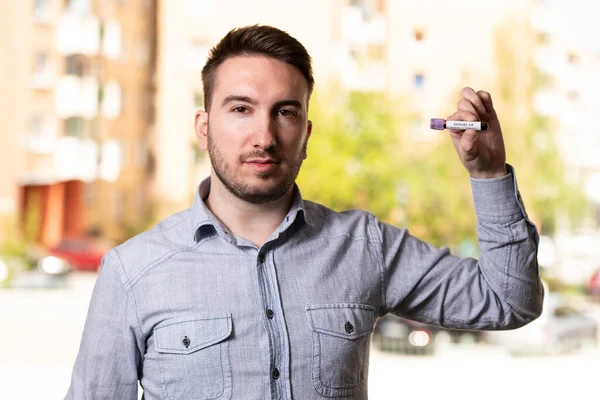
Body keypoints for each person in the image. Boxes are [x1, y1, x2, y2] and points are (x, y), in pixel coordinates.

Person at [65, 25, 543, 400]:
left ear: (307, 133)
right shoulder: (132, 272)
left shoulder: (364, 247)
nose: (265, 136)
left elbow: (510, 301)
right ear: (203, 127)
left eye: (285, 112)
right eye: (240, 109)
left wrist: (489, 175)